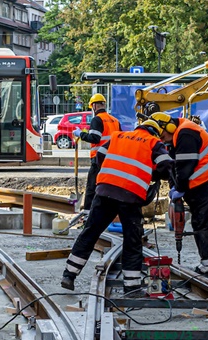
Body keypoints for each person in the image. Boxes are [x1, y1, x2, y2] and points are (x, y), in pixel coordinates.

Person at [61, 120, 174, 296]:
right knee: (132, 239)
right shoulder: (153, 142)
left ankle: (69, 274)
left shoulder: (117, 136)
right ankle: (131, 286)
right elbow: (167, 166)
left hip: (105, 191)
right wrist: (151, 175)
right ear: (155, 132)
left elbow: (99, 157)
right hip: (130, 195)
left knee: (90, 232)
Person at [151, 111, 208, 281]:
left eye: (164, 136)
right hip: (201, 185)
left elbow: (185, 167)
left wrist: (179, 188)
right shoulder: (175, 136)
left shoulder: (186, 134)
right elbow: (174, 167)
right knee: (199, 222)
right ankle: (206, 266)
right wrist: (174, 187)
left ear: (169, 127)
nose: (163, 140)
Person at [75, 93, 122, 211]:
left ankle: (87, 214)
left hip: (99, 159)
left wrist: (80, 134)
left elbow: (94, 138)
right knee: (109, 187)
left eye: (92, 107)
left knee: (92, 187)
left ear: (95, 106)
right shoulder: (115, 120)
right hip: (113, 159)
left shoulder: (97, 119)